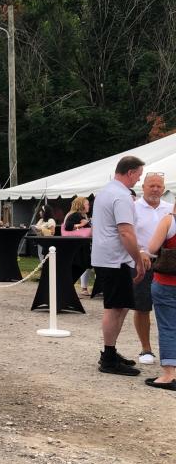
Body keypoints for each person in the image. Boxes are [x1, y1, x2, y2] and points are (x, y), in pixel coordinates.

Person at [91, 155, 149, 376]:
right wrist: (138, 259)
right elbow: (125, 231)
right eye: (138, 176)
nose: (137, 180)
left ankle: (110, 351)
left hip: (108, 257)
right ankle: (108, 358)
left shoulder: (106, 191)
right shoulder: (121, 196)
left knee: (120, 305)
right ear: (131, 172)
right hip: (115, 259)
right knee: (115, 308)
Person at [132, 173, 172, 364]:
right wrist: (140, 252)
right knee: (142, 307)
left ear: (163, 188)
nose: (155, 189)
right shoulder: (133, 208)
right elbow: (126, 234)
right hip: (142, 262)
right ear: (143, 187)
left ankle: (170, 350)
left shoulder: (170, 209)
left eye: (159, 186)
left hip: (168, 264)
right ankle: (146, 349)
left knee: (170, 309)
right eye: (152, 185)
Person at [145, 209, 176, 390]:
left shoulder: (169, 221)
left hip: (167, 281)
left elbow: (152, 248)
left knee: (168, 327)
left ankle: (169, 374)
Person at [63, 196, 93, 293]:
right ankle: (65, 288)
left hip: (81, 247)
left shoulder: (82, 216)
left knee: (80, 267)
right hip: (78, 249)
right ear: (81, 205)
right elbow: (68, 226)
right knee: (78, 267)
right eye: (87, 204)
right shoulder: (76, 215)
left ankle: (66, 288)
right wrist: (81, 225)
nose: (89, 206)